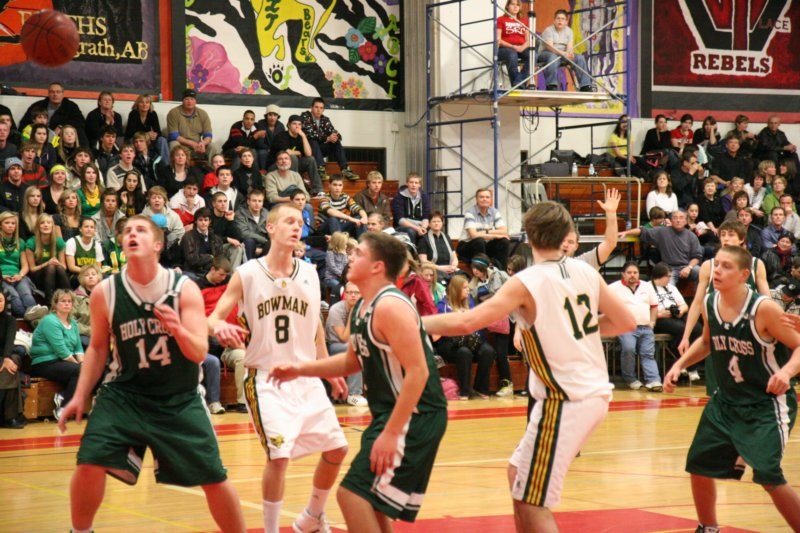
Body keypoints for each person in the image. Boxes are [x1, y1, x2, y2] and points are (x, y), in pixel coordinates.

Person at [422, 201, 635, 532]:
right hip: (584, 393)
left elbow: (468, 322)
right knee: (517, 474)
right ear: (566, 235)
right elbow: (625, 321)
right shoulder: (586, 272)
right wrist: (574, 328)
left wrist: (414, 322)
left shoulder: (526, 281)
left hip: (566, 398)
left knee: (532, 502)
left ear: (528, 235)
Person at [57, 215, 246, 533]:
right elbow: (97, 349)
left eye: (141, 230)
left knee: (214, 477)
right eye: (127, 230)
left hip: (179, 397)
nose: (132, 233)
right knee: (89, 461)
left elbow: (199, 351)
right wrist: (79, 395)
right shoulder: (105, 291)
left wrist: (177, 329)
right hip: (125, 394)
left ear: (158, 245)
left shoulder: (183, 289)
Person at [270, 231, 448, 530]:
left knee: (351, 495)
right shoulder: (362, 308)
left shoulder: (391, 306)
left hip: (417, 415)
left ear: (377, 266)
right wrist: (300, 369)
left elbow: (419, 372)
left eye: (359, 253)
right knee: (371, 502)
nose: (350, 256)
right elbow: (351, 361)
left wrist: (391, 433)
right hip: (391, 415)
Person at [208, 203, 348, 533]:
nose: (296, 226)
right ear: (270, 228)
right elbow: (212, 318)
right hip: (266, 378)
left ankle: (312, 516)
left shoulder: (310, 273)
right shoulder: (247, 273)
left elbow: (315, 327)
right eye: (288, 221)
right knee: (279, 457)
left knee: (338, 449)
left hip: (305, 376)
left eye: (300, 222)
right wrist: (219, 326)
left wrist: (328, 369)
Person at [664, 245, 800, 532]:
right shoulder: (709, 302)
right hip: (725, 402)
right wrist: (680, 365)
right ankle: (708, 527)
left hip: (765, 404)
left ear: (743, 274)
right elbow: (706, 342)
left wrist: (786, 372)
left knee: (768, 476)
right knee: (698, 465)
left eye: (726, 266)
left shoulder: (764, 309)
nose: (717, 271)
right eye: (716, 265)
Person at [436, 274, 497, 399]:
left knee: (488, 351)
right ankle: (465, 391)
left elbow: (477, 323)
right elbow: (443, 328)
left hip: (471, 339)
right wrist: (459, 317)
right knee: (464, 352)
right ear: (456, 289)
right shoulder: (443, 305)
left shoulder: (470, 301)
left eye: (467, 287)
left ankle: (480, 388)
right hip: (451, 343)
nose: (468, 290)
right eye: (465, 288)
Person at [29, 289, 84, 420]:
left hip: (62, 362)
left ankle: (64, 396)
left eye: (69, 301)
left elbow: (78, 347)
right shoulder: (50, 321)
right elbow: (62, 351)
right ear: (55, 304)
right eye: (63, 301)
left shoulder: (73, 323)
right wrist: (80, 366)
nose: (67, 304)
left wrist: (82, 363)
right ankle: (63, 408)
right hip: (45, 362)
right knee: (81, 371)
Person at [608, 261, 662, 391]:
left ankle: (654, 381)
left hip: (646, 327)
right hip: (625, 327)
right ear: (623, 274)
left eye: (635, 272)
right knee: (629, 349)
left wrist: (652, 322)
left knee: (648, 354)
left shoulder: (647, 286)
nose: (632, 275)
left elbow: (654, 306)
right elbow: (605, 306)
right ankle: (630, 379)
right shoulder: (613, 288)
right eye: (629, 272)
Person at [324, 280, 368, 407]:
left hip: (352, 344)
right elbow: (344, 338)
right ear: (345, 294)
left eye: (356, 293)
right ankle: (354, 394)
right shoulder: (336, 310)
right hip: (334, 346)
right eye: (350, 292)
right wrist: (352, 314)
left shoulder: (364, 309)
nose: (353, 295)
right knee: (354, 348)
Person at [300, 98, 358, 180]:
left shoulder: (325, 119)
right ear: (311, 107)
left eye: (321, 108)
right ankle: (320, 170)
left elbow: (334, 132)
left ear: (323, 110)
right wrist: (327, 138)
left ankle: (345, 169)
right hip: (307, 150)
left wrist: (335, 136)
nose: (318, 110)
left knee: (336, 142)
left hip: (319, 150)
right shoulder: (305, 117)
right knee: (313, 140)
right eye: (316, 107)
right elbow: (310, 134)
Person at [539, 9, 594, 92]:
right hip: (547, 53)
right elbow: (550, 47)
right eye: (558, 18)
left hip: (562, 55)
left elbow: (569, 47)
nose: (560, 21)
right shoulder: (549, 30)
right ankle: (551, 85)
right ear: (554, 20)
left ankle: (585, 85)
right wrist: (564, 54)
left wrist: (569, 54)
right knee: (553, 57)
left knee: (579, 58)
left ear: (566, 22)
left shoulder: (569, 31)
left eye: (562, 19)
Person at [267, 114, 323, 195]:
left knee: (310, 160)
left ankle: (318, 189)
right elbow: (287, 153)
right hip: (276, 166)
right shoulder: (281, 136)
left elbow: (308, 154)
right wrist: (298, 152)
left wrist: (303, 136)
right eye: (294, 124)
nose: (297, 126)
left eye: (299, 124)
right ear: (288, 125)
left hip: (293, 166)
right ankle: (294, 188)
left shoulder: (301, 137)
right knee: (292, 157)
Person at [0, 211, 41, 318]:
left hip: (18, 276)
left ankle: (33, 317)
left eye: (13, 223)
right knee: (15, 298)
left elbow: (25, 265)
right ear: (0, 225)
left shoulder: (20, 242)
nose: (10, 226)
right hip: (2, 277)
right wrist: (2, 276)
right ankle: (30, 318)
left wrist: (20, 275)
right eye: (7, 223)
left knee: (27, 295)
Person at [20, 82, 88, 146]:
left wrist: (62, 127)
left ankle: (84, 152)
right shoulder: (38, 105)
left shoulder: (70, 106)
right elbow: (24, 123)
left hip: (60, 137)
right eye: (52, 92)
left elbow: (80, 122)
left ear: (62, 94)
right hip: (38, 135)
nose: (55, 94)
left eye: (58, 92)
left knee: (80, 131)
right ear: (48, 93)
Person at [458, 188, 510, 269]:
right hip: (467, 246)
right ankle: (482, 271)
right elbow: (474, 235)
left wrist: (487, 232)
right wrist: (496, 235)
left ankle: (502, 272)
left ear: (491, 199)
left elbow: (504, 231)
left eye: (487, 197)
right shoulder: (470, 212)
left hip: (484, 245)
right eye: (481, 197)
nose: (484, 199)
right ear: (477, 199)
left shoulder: (494, 212)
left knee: (504, 241)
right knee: (479, 241)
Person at [166, 88, 221, 165]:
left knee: (213, 146)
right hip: (181, 145)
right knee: (173, 144)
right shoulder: (173, 113)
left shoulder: (203, 113)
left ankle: (211, 170)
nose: (189, 101)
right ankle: (176, 170)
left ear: (195, 101)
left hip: (198, 145)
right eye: (187, 99)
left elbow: (208, 135)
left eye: (192, 99)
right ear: (182, 101)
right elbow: (173, 135)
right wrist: (192, 143)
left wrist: (203, 143)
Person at [25, 213, 69, 303]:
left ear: (52, 226)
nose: (46, 225)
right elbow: (32, 269)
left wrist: (57, 263)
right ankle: (49, 302)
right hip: (38, 277)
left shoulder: (59, 241)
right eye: (42, 223)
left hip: (56, 275)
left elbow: (64, 267)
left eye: (49, 223)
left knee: (59, 268)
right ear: (38, 226)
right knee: (50, 267)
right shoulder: (31, 242)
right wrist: (47, 263)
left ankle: (69, 298)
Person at [0, 291, 26, 428]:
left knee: (12, 363)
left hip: (5, 355)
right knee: (9, 371)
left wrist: (6, 358)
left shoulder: (10, 320)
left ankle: (8, 417)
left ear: (5, 302)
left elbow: (10, 342)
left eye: (1, 300)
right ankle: (10, 417)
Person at [125, 93, 170, 163]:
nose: (144, 104)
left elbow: (158, 132)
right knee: (132, 140)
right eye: (141, 102)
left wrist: (155, 135)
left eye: (147, 102)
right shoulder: (133, 114)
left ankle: (166, 166)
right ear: (137, 104)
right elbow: (131, 133)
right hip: (135, 139)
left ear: (150, 104)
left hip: (148, 140)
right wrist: (147, 134)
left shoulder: (153, 114)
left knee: (162, 140)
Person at [496, 0, 532, 89]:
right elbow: (498, 39)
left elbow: (528, 40)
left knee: (532, 55)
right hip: (505, 48)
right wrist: (513, 46)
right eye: (513, 4)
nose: (516, 7)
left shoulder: (524, 21)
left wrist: (522, 47)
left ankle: (518, 83)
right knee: (512, 54)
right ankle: (518, 85)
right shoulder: (501, 19)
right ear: (507, 6)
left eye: (518, 5)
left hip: (521, 47)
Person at [418, 211, 459, 280]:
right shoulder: (423, 239)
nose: (436, 223)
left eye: (439, 221)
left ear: (442, 223)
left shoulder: (447, 237)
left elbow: (454, 257)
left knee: (464, 276)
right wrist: (441, 268)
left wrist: (453, 266)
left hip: (450, 268)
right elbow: (423, 261)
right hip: (433, 270)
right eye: (434, 221)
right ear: (429, 224)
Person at [391, 172, 432, 242]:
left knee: (433, 229)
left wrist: (423, 228)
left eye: (416, 183)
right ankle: (412, 249)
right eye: (411, 182)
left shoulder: (424, 197)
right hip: (403, 226)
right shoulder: (399, 197)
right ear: (407, 183)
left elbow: (426, 216)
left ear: (419, 185)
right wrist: (417, 228)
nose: (414, 185)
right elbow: (400, 220)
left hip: (420, 225)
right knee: (411, 231)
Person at [233, 188, 270, 260]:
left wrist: (264, 246)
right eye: (254, 201)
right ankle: (249, 266)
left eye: (260, 201)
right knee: (249, 242)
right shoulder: (240, 213)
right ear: (248, 201)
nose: (257, 203)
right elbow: (243, 233)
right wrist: (264, 241)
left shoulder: (267, 214)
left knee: (272, 243)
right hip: (247, 245)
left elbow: (272, 231)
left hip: (264, 246)